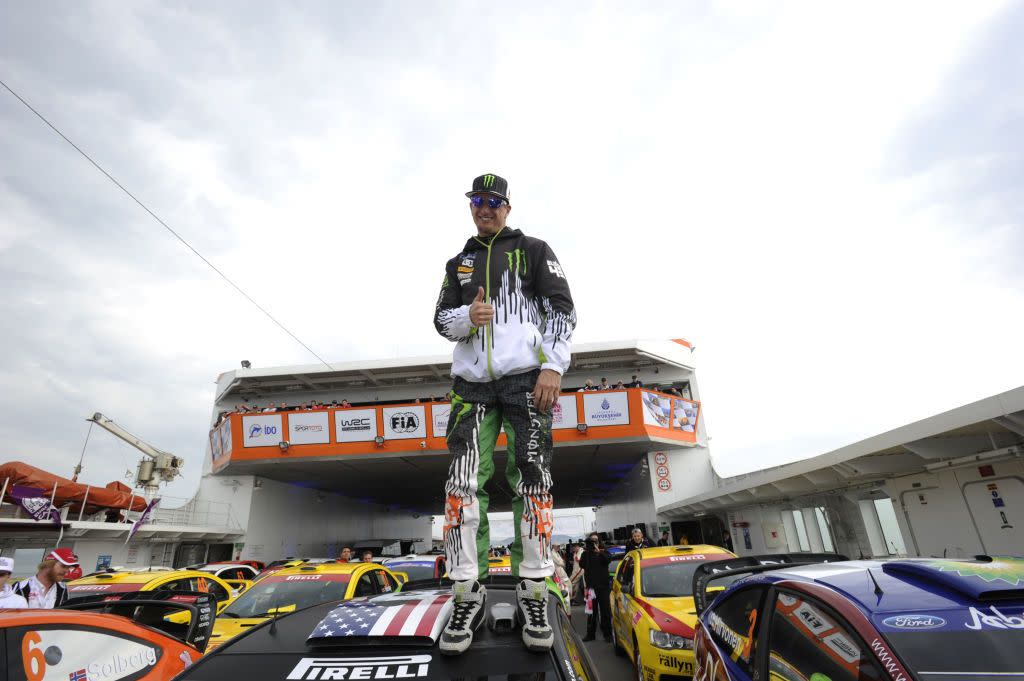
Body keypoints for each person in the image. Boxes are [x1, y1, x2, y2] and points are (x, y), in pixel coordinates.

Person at [434, 172, 576, 655]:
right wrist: (464, 318)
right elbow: (440, 320)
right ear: (471, 205)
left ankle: (534, 585)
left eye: (494, 201)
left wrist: (553, 367)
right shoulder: (459, 263)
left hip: (525, 380)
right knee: (461, 485)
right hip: (470, 386)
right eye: (477, 201)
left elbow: (562, 309)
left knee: (532, 480)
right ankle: (465, 590)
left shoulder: (533, 250)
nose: (485, 208)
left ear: (507, 207)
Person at [577, 533, 611, 641]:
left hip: (603, 587)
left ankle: (608, 634)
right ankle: (590, 634)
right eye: (592, 541)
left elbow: (608, 559)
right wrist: (587, 551)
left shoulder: (604, 551)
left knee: (605, 611)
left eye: (596, 541)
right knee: (591, 612)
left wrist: (599, 552)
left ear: (599, 541)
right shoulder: (585, 554)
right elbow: (582, 565)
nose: (594, 543)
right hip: (590, 588)